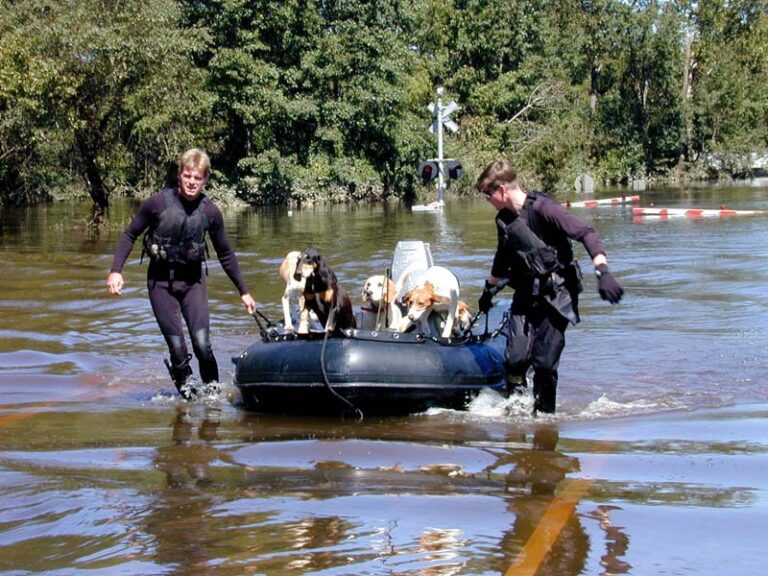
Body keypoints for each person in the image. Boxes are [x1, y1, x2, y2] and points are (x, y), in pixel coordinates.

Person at [106, 148, 256, 399]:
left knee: (202, 344)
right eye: (187, 175)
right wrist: (115, 271)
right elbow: (129, 234)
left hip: (192, 284)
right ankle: (186, 395)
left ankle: (212, 395)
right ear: (180, 175)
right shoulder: (157, 203)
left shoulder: (210, 212)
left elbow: (226, 254)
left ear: (206, 179)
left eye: (197, 178)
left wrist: (244, 291)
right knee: (177, 347)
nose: (191, 182)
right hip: (160, 284)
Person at [476, 159, 623, 414]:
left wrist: (603, 271)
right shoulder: (504, 220)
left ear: (501, 190)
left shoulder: (545, 209)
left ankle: (544, 421)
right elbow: (503, 257)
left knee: (543, 365)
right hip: (525, 293)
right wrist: (488, 289)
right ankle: (516, 414)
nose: (487, 200)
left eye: (488, 194)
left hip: (557, 296)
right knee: (515, 360)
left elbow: (586, 233)